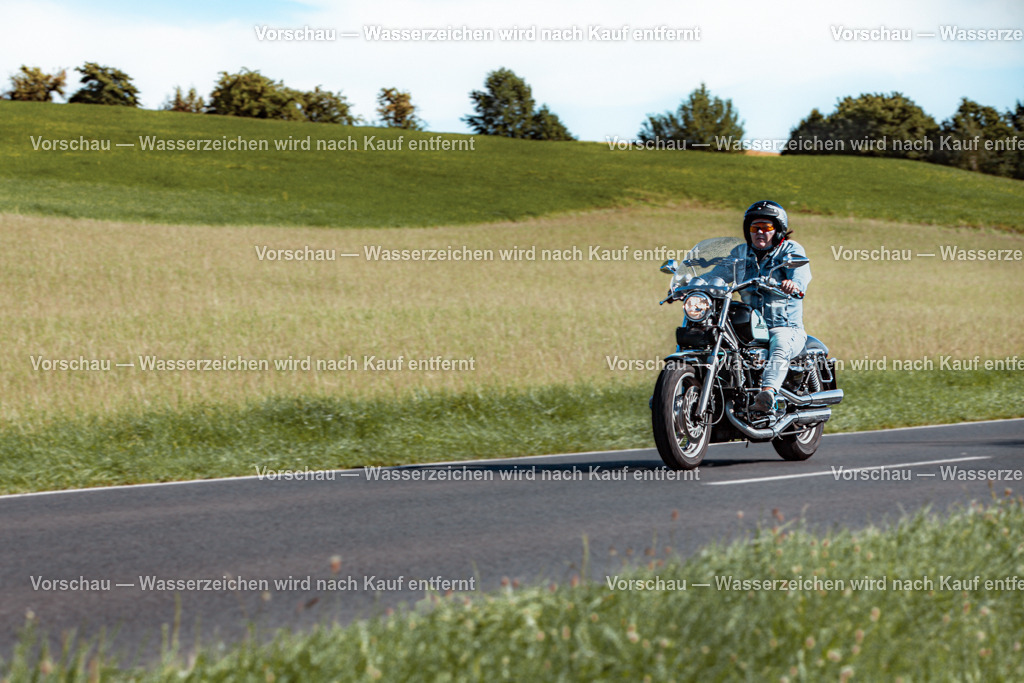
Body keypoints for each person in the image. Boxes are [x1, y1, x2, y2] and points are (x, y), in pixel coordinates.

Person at [737, 200, 812, 412]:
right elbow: (718, 273)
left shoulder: (790, 249)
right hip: (751, 328)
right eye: (755, 228)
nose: (760, 232)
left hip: (785, 327)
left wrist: (793, 284)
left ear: (778, 230)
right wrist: (692, 285)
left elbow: (800, 275)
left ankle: (767, 394)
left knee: (779, 344)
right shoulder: (740, 253)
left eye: (767, 228)